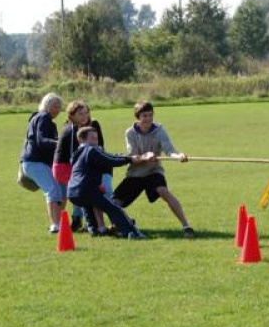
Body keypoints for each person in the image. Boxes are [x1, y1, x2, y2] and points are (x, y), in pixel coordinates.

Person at [112, 101, 195, 238]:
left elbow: (169, 149)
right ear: (138, 117)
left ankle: (186, 226)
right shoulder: (130, 133)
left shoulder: (159, 130)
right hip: (135, 173)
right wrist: (146, 156)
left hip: (153, 171)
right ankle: (124, 224)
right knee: (114, 203)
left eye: (150, 115)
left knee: (163, 191)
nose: (148, 119)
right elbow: (133, 155)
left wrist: (178, 156)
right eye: (144, 116)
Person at [68, 127, 153, 239]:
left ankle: (95, 230)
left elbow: (109, 156)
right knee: (113, 209)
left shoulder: (76, 154)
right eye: (92, 138)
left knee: (88, 207)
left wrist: (129, 157)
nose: (96, 141)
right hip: (87, 189)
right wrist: (129, 159)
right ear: (81, 139)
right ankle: (132, 232)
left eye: (96, 138)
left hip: (72, 192)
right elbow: (110, 160)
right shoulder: (91, 150)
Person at [53, 101, 113, 233]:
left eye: (86, 112)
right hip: (69, 167)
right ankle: (77, 222)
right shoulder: (71, 129)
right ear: (72, 115)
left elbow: (100, 146)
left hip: (97, 166)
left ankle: (107, 223)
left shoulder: (93, 125)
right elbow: (73, 156)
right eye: (80, 113)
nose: (85, 116)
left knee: (103, 192)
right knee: (77, 193)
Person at [20, 93, 65, 234]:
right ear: (46, 106)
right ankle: (55, 225)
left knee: (56, 190)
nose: (57, 110)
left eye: (59, 107)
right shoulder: (44, 117)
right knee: (52, 190)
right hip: (35, 161)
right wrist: (60, 143)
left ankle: (58, 223)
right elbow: (41, 140)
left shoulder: (40, 118)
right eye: (54, 106)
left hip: (32, 162)